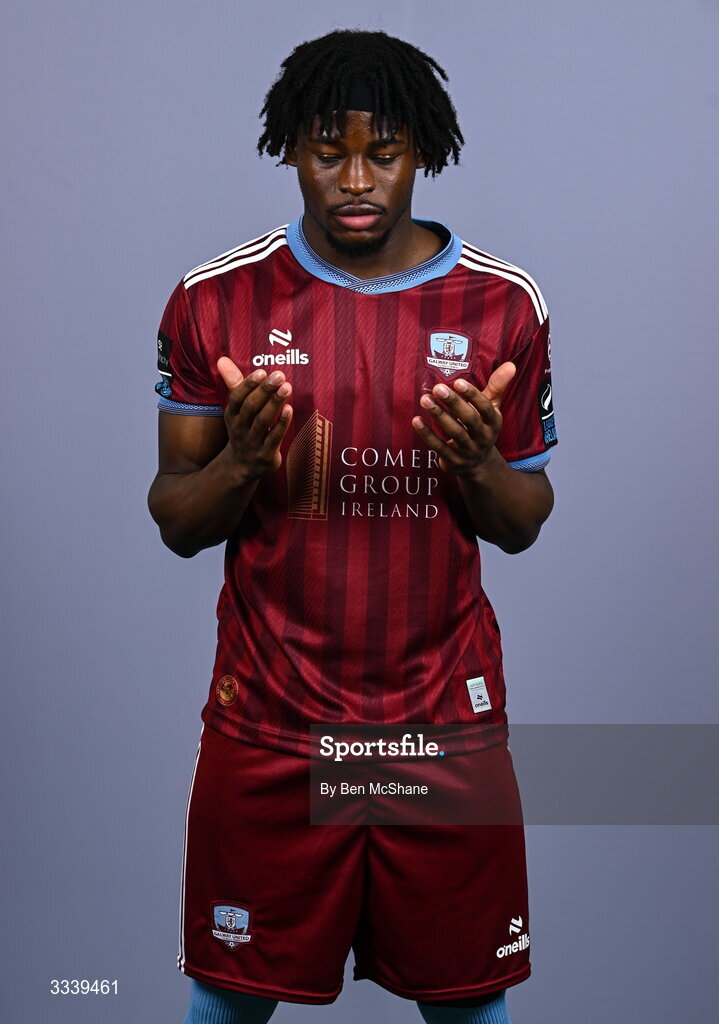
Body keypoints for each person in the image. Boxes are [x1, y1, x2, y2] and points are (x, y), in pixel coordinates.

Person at [148, 28, 557, 1024]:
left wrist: (475, 467)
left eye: (384, 150)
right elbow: (174, 515)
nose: (356, 178)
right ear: (290, 148)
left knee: (469, 1004)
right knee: (224, 1001)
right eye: (329, 149)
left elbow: (523, 522)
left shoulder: (502, 307)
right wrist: (243, 463)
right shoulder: (216, 301)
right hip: (272, 722)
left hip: (440, 725)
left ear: (423, 149)